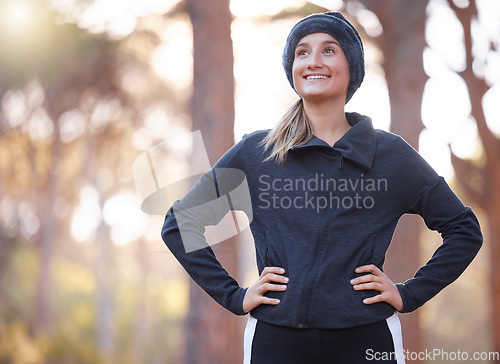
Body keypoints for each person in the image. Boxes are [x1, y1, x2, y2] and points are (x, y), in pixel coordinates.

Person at [161, 11, 483, 364]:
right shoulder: (257, 153)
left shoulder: (390, 155)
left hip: (366, 338)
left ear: (352, 67)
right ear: (293, 69)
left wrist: (409, 293)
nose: (313, 61)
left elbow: (463, 230)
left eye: (328, 50)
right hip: (276, 339)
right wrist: (234, 296)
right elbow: (181, 223)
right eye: (302, 52)